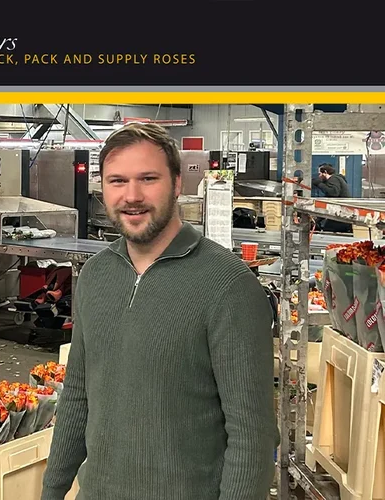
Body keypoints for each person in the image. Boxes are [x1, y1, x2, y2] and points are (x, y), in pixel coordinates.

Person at [41, 123, 278, 500]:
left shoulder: (228, 285)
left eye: (148, 178)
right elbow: (77, 396)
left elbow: (251, 435)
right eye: (117, 181)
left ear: (177, 184)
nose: (131, 196)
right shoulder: (96, 276)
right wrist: (52, 491)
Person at [315, 164, 353, 233]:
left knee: (328, 230)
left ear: (325, 172)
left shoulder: (334, 179)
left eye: (320, 174)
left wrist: (319, 184)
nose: (319, 176)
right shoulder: (336, 179)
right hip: (341, 213)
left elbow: (333, 193)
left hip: (341, 213)